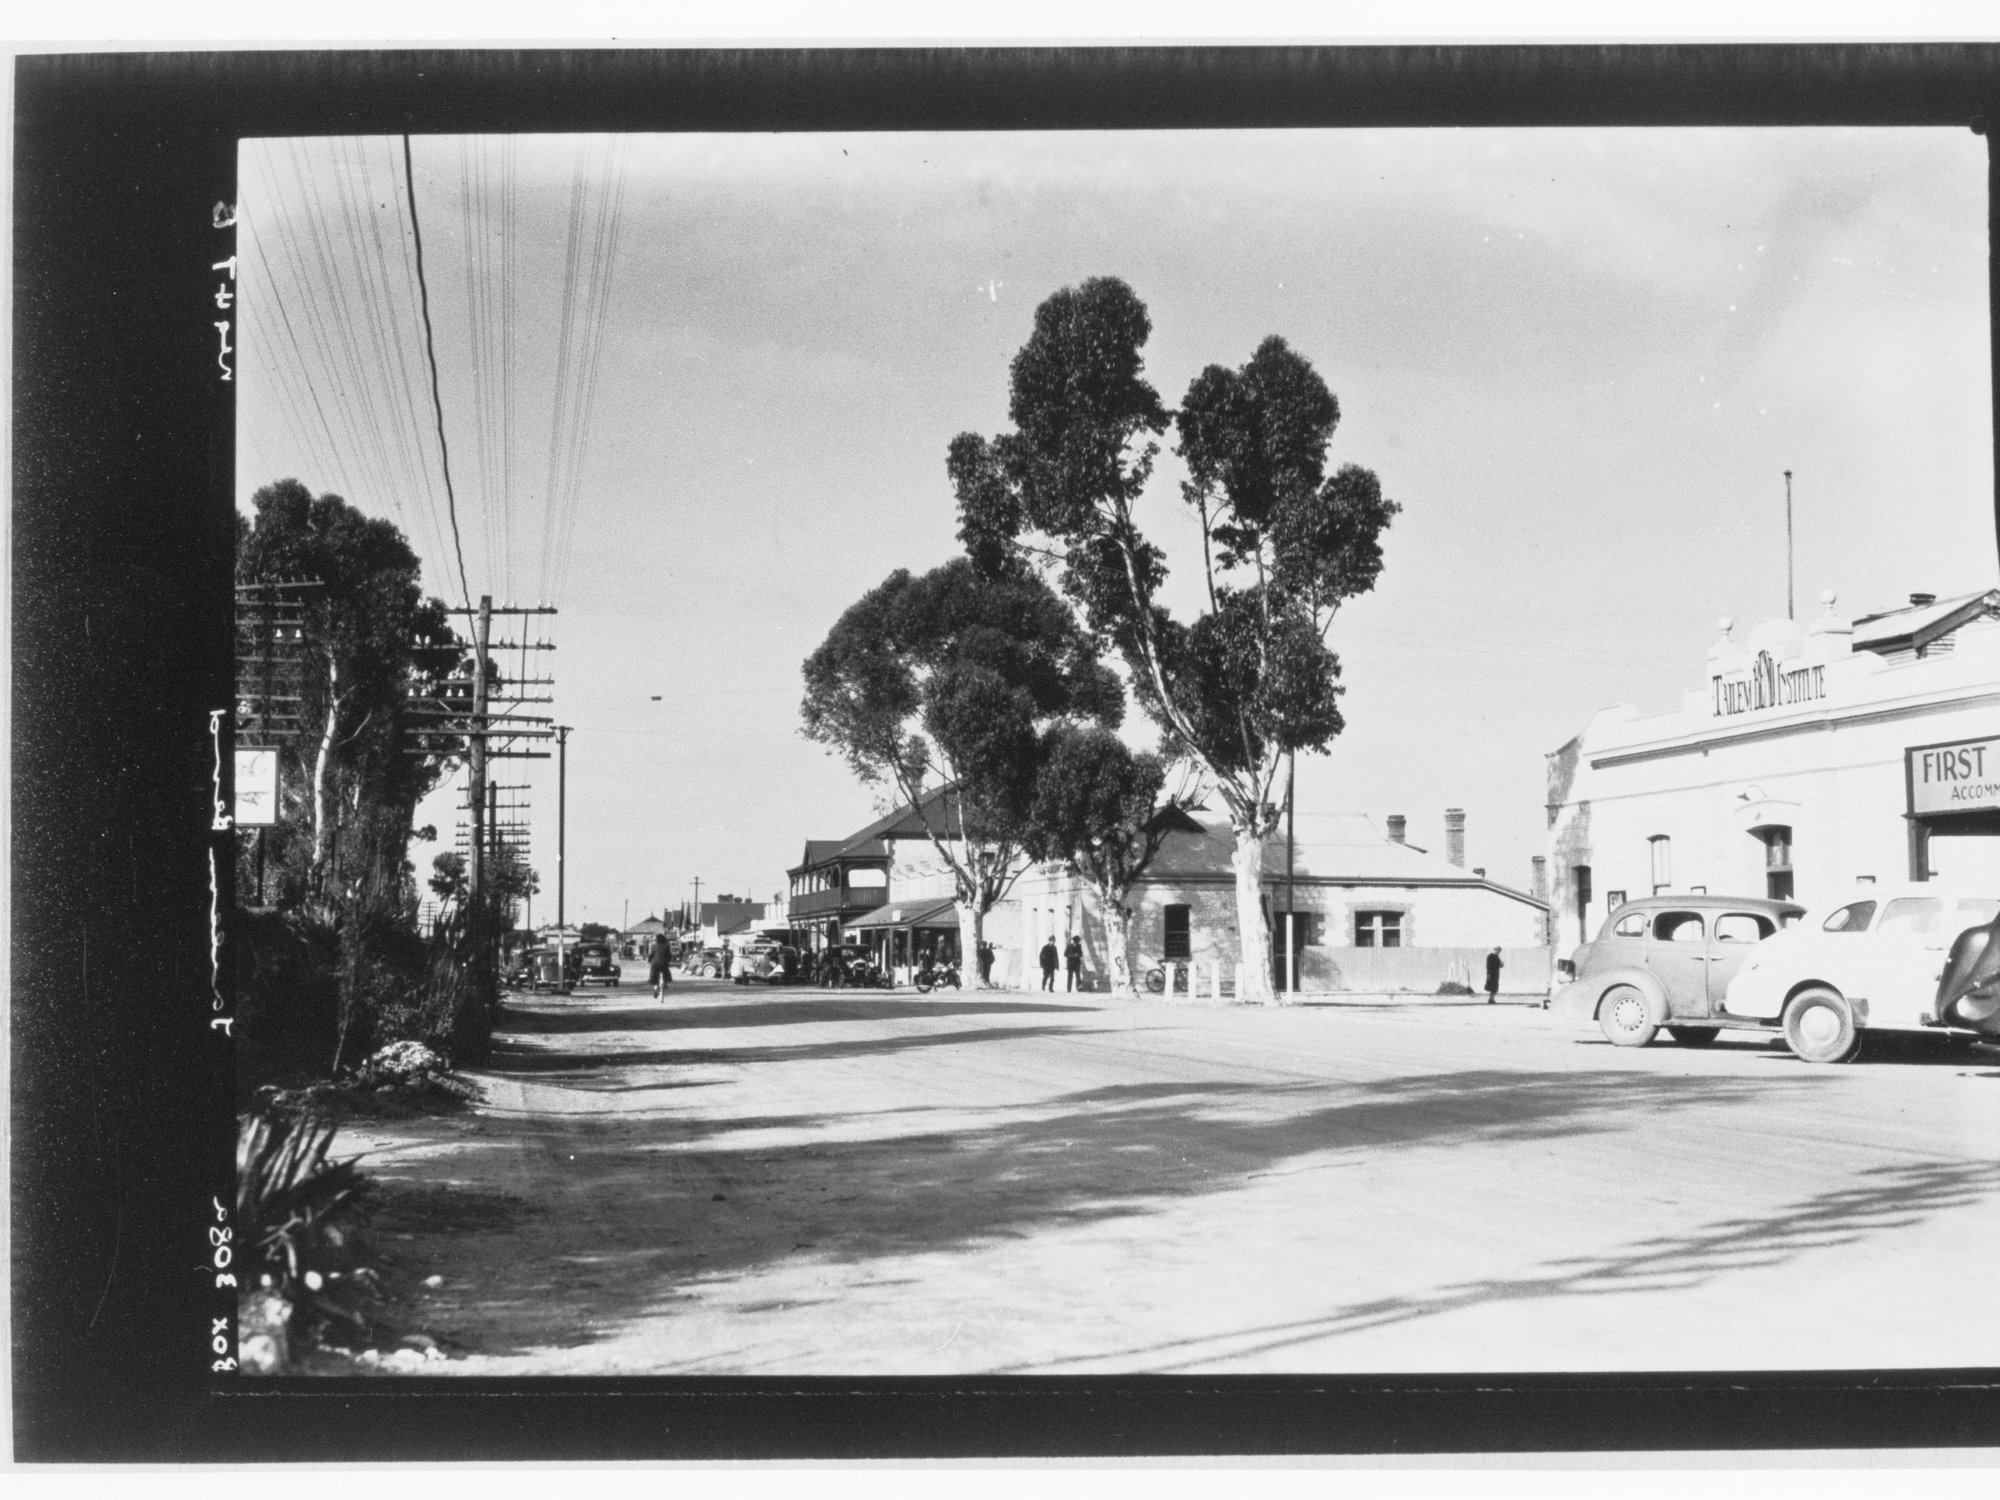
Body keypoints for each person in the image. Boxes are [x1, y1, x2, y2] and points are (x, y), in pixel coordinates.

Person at [649, 932, 673, 1000]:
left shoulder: (654, 946)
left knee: (654, 975)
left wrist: (649, 960)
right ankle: (665, 982)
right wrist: (669, 960)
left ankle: (655, 985)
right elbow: (669, 955)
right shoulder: (667, 946)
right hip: (664, 963)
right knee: (666, 972)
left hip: (655, 963)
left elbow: (651, 955)